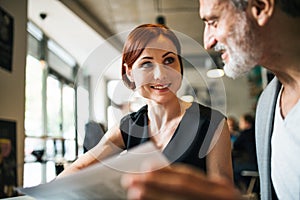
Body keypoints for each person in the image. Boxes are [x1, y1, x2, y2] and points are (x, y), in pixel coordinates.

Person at [121, 0, 300, 199]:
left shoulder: (211, 122)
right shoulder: (268, 104)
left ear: (260, 7)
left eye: (213, 21)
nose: (208, 42)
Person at [58, 24, 233, 187]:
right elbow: (77, 169)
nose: (160, 75)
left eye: (169, 60)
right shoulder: (128, 127)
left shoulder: (212, 124)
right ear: (130, 73)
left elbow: (223, 195)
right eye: (146, 63)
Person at [232, 113, 257, 192]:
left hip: (254, 164)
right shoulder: (255, 131)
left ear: (246, 123)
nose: (239, 124)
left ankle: (243, 190)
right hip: (261, 164)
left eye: (241, 122)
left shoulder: (246, 133)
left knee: (232, 168)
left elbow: (236, 145)